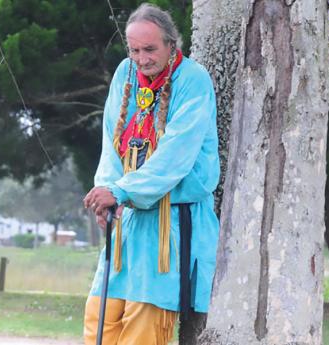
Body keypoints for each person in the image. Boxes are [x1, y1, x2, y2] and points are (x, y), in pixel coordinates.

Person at [82, 3, 220, 344]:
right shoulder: (124, 74)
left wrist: (121, 192)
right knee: (98, 319)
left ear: (171, 44)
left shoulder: (193, 81)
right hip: (128, 224)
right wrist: (107, 195)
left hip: (169, 229)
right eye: (134, 49)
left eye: (150, 49)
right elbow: (111, 146)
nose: (141, 58)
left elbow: (176, 155)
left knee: (142, 331)